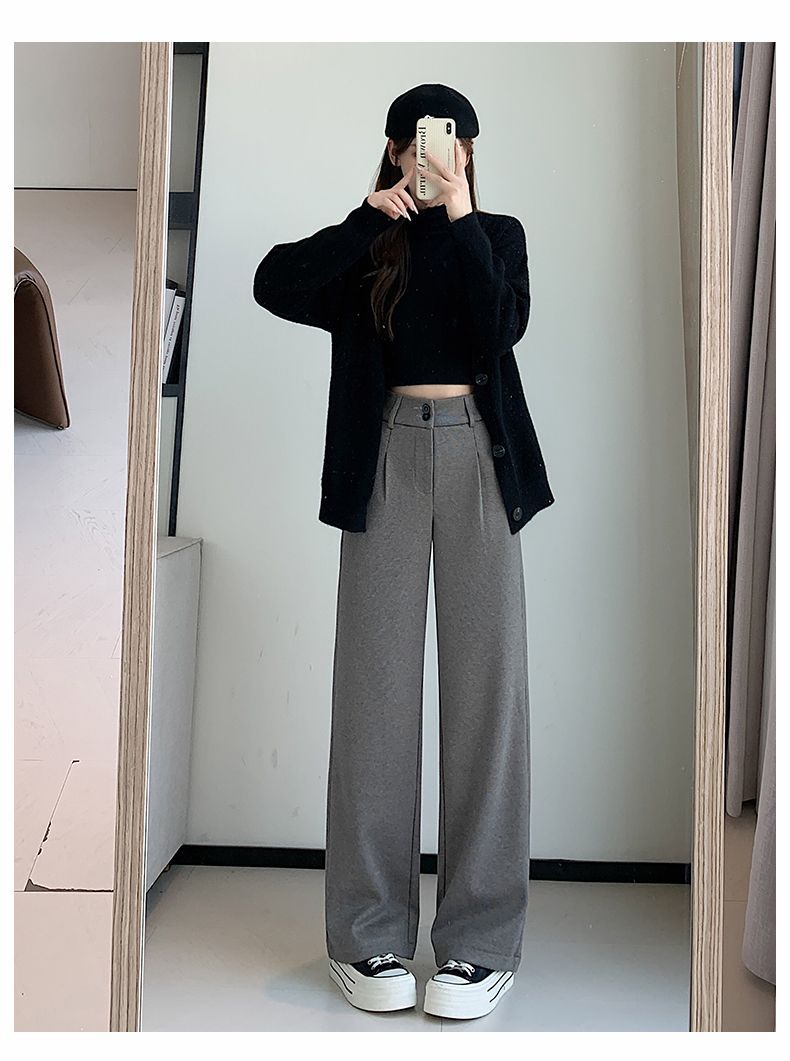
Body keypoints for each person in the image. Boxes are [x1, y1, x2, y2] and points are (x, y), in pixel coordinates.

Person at [253, 83, 554, 1021]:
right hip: (384, 459)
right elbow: (272, 282)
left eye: (449, 141)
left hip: (479, 463)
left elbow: (500, 326)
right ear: (394, 150)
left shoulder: (495, 236)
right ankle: (367, 935)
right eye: (417, 142)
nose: (432, 154)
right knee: (374, 700)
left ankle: (480, 944)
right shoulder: (369, 244)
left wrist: (458, 216)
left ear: (468, 150)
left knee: (487, 700)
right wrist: (364, 218)